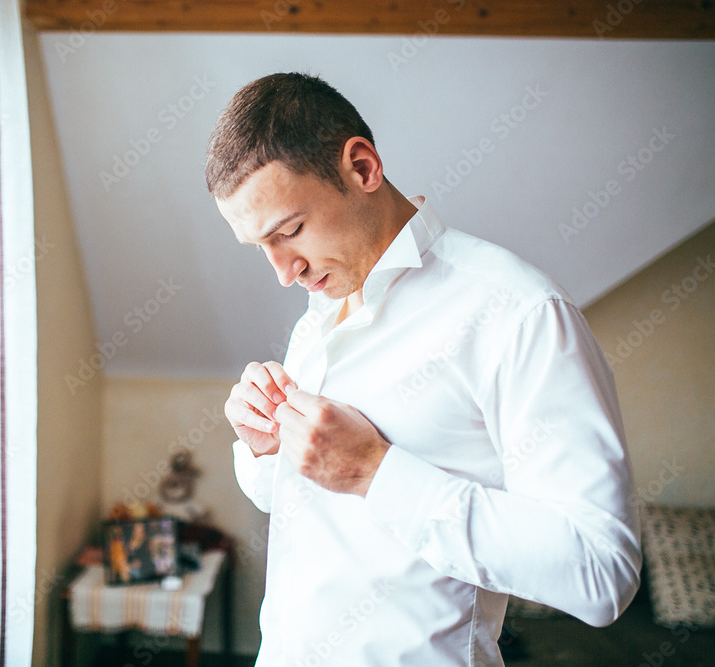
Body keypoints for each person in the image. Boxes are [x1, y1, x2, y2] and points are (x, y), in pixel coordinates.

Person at [206, 73, 641, 666]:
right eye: (261, 246)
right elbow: (302, 506)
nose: (283, 271)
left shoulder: (516, 313)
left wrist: (376, 472)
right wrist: (263, 447)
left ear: (361, 167)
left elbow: (601, 571)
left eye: (289, 232)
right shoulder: (319, 313)